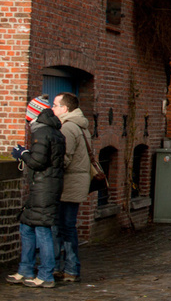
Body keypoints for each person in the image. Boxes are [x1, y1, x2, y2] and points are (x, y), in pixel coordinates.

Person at [7, 97, 65, 288]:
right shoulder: (54, 132)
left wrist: (22, 154)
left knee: (42, 230)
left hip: (44, 188)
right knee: (27, 226)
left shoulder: (43, 133)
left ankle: (45, 275)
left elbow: (39, 162)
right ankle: (25, 270)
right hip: (45, 187)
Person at [52, 93, 90, 283]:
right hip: (77, 183)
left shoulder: (67, 127)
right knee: (65, 227)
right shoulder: (80, 125)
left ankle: (69, 268)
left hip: (69, 185)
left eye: (55, 105)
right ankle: (65, 268)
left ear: (64, 109)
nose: (52, 109)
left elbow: (64, 159)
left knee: (65, 228)